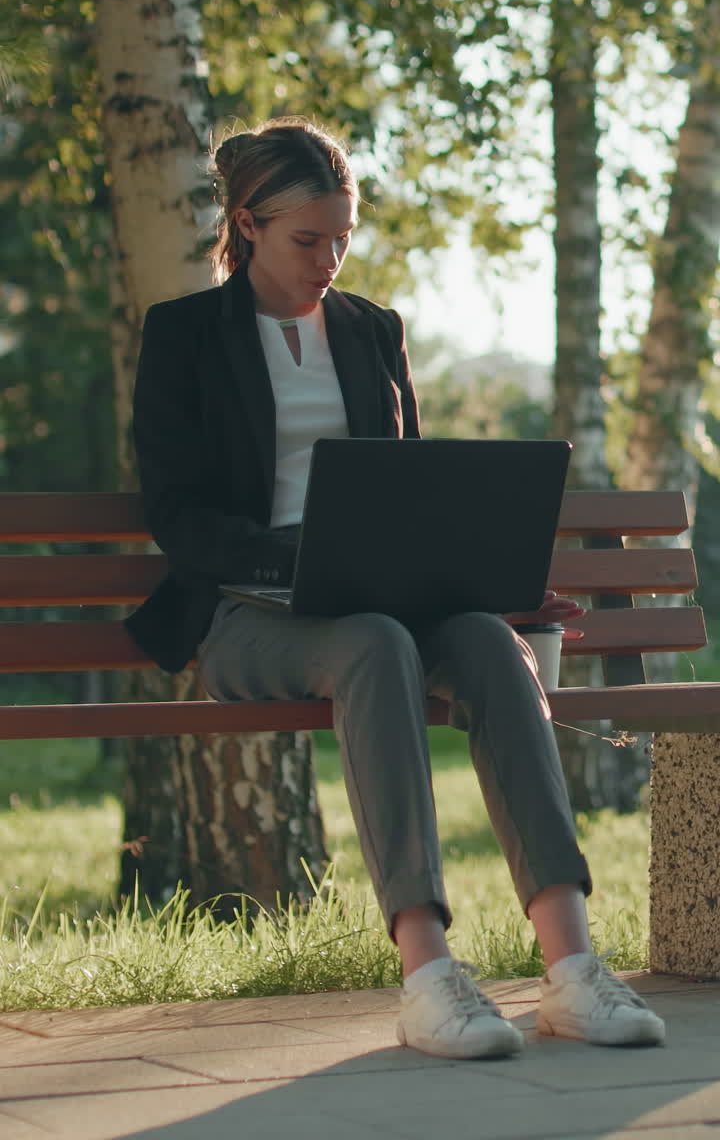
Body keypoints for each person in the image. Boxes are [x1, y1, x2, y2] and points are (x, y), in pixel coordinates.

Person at [125, 115, 665, 1060]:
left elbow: (406, 496)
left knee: (491, 648)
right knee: (374, 638)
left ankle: (573, 969)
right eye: (308, 239)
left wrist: (493, 588)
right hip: (249, 615)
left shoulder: (372, 331)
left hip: (380, 595)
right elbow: (177, 516)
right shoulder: (183, 337)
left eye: (343, 236)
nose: (330, 258)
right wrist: (295, 562)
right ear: (247, 225)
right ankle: (427, 976)